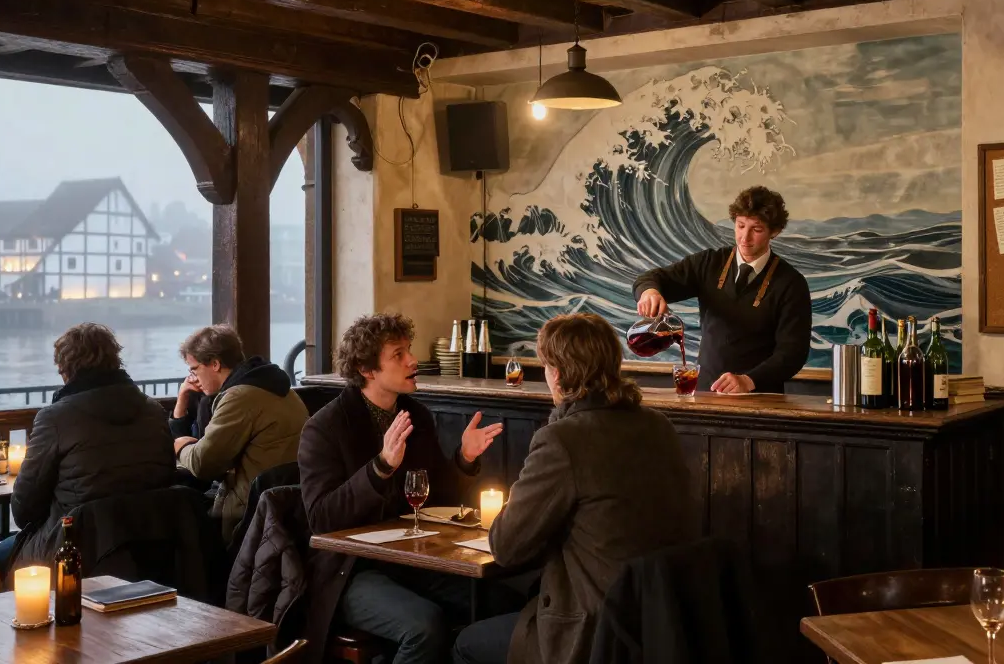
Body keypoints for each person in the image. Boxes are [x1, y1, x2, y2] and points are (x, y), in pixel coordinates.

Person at [453, 312, 696, 664]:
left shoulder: (562, 439)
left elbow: (505, 546)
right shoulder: (657, 425)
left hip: (591, 631)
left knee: (466, 644)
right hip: (658, 624)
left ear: (559, 373)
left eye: (546, 365)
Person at [299, 313, 504, 664]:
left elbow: (438, 498)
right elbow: (322, 518)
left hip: (412, 560)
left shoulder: (416, 415)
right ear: (367, 369)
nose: (413, 360)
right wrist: (380, 467)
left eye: (408, 350)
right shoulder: (325, 428)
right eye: (398, 355)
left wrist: (465, 458)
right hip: (352, 570)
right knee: (424, 627)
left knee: (496, 602)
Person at [0, 323, 174, 574]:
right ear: (115, 360)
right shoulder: (153, 410)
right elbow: (167, 475)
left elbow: (24, 511)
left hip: (75, 547)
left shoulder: (55, 418)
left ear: (65, 369)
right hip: (151, 545)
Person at [633, 185, 812, 393]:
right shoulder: (709, 262)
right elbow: (651, 279)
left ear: (775, 231)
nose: (745, 238)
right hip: (704, 390)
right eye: (740, 225)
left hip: (760, 396)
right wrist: (650, 292)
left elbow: (793, 353)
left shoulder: (791, 283)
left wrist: (748, 380)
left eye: (757, 229)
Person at [173, 324, 308, 542]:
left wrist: (180, 447)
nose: (192, 377)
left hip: (247, 517)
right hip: (282, 508)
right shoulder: (272, 385)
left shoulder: (240, 397)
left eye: (194, 368)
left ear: (215, 364)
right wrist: (183, 400)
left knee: (175, 513)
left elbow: (202, 463)